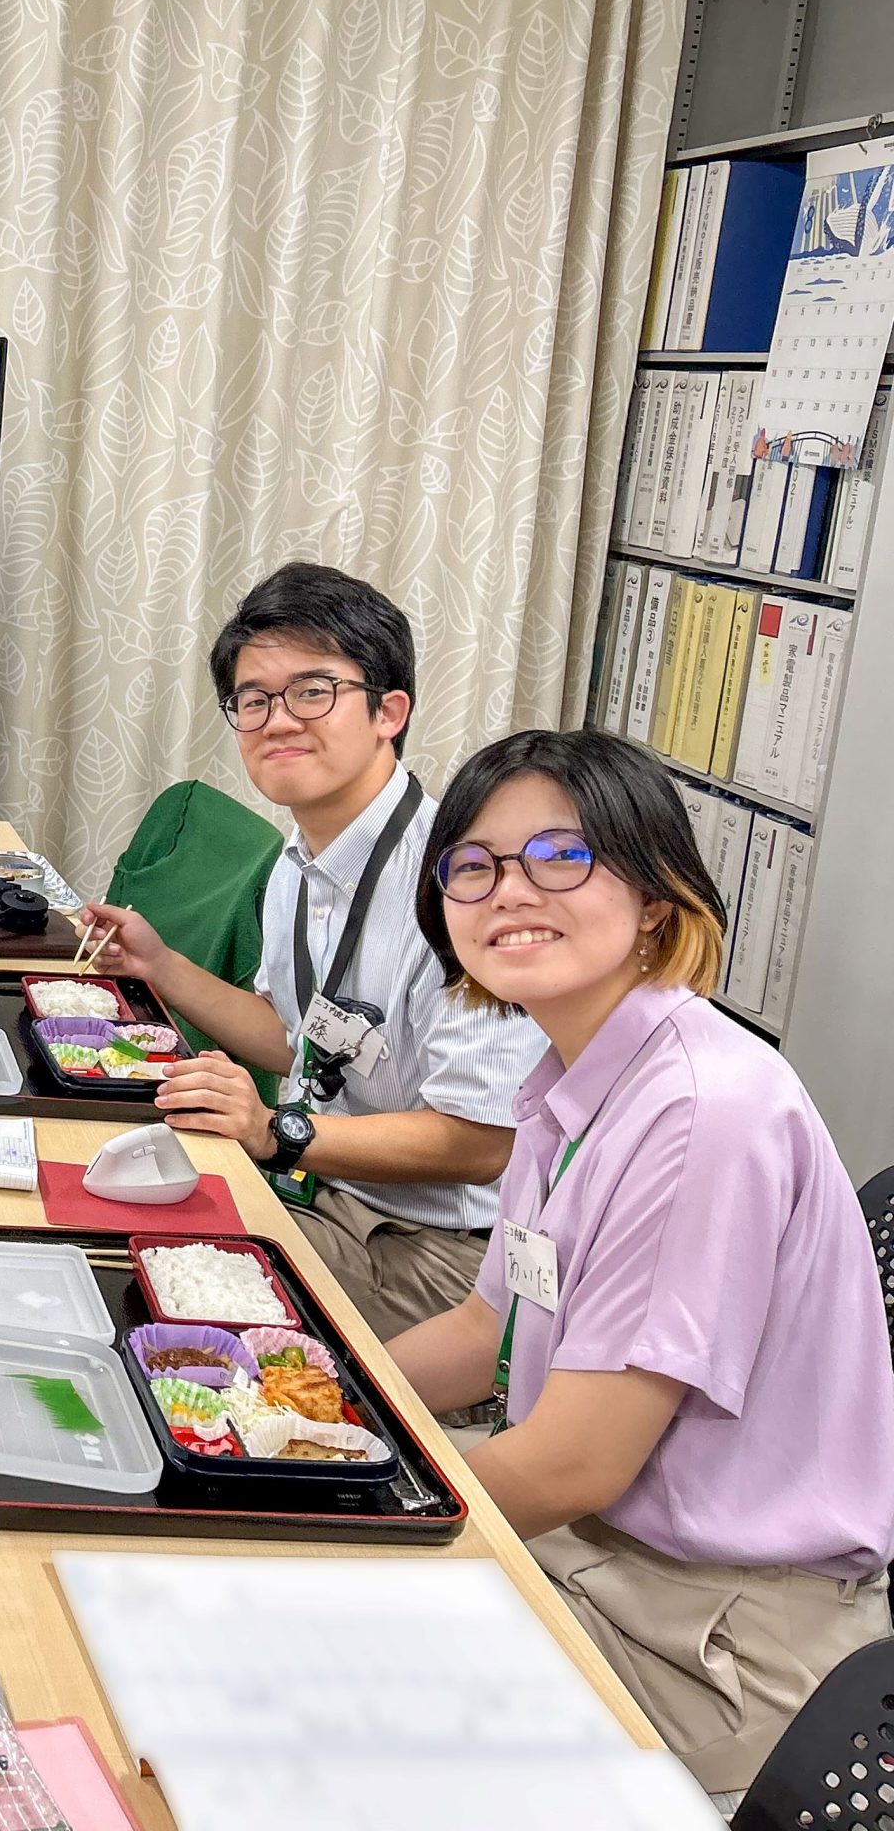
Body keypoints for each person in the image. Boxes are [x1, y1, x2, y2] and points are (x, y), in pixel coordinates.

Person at [388, 728, 893, 1798]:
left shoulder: (704, 1112)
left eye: (560, 857)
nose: (509, 891)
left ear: (656, 899)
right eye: (472, 867)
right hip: (598, 1558)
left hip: (715, 1647)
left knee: (320, 1712)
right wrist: (312, 1418)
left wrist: (334, 1510)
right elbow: (490, 1334)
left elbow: (574, 1464)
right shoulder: (572, 1079)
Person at [80, 563, 545, 1339]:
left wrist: (279, 1130)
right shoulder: (302, 857)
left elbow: (484, 1139)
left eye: (313, 690)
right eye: (253, 699)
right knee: (87, 1221)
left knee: (138, 1310)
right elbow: (292, 1033)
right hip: (324, 1190)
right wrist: (159, 966)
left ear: (388, 711)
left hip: (439, 1256)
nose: (278, 720)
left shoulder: (462, 882)